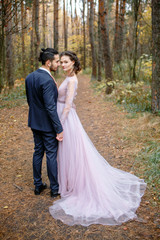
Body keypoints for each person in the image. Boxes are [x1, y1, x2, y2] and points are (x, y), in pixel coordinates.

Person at [49, 51, 146, 226]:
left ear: (73, 62)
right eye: (61, 62)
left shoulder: (72, 80)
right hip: (64, 117)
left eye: (65, 62)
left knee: (71, 152)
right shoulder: (68, 78)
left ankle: (76, 185)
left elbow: (68, 106)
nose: (62, 65)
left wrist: (59, 126)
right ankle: (69, 182)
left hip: (67, 120)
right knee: (67, 153)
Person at [25, 48, 63, 198]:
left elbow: (30, 101)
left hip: (34, 122)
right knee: (51, 155)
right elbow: (50, 107)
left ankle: (38, 184)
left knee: (38, 152)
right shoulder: (47, 80)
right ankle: (54, 188)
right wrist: (58, 128)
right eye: (57, 61)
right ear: (48, 63)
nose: (59, 64)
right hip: (47, 125)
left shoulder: (30, 77)